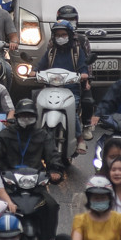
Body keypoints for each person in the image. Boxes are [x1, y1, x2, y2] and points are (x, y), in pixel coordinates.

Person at [0, 99, 64, 240]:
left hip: (36, 185)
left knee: (51, 206)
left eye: (29, 115)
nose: (26, 118)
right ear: (16, 116)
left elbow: (53, 155)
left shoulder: (43, 135)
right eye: (23, 115)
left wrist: (55, 170)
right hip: (9, 184)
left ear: (35, 117)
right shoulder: (3, 136)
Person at [37, 20, 90, 150]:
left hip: (71, 91)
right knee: (36, 108)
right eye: (58, 35)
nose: (60, 38)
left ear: (70, 35)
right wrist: (33, 72)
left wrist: (84, 75)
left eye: (63, 35)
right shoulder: (51, 52)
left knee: (72, 112)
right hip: (50, 89)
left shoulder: (77, 52)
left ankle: (80, 138)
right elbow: (40, 66)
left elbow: (83, 69)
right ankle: (35, 138)